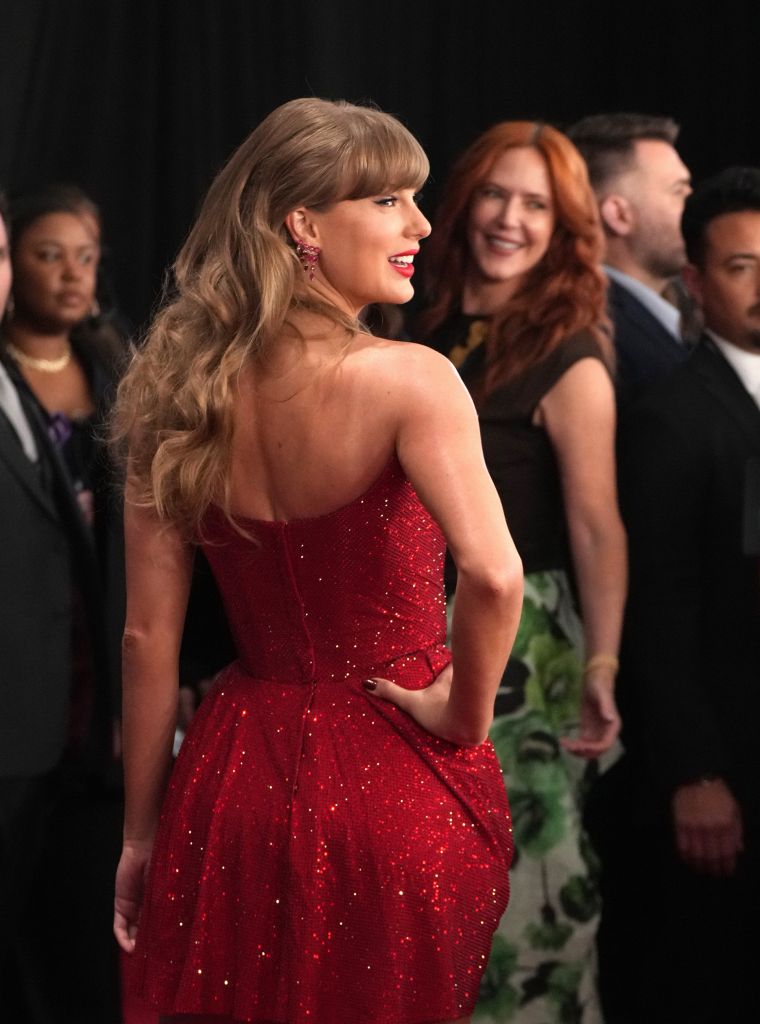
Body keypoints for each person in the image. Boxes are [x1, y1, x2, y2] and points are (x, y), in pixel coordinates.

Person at [111, 97, 524, 1024]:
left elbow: (145, 640)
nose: (421, 225)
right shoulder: (413, 380)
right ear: (303, 225)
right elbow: (497, 577)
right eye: (387, 201)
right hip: (398, 777)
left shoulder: (172, 394)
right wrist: (463, 715)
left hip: (230, 791)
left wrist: (140, 837)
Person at [416, 122, 626, 1023]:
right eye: (497, 194)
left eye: (537, 205)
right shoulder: (409, 317)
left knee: (524, 884)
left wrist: (601, 666)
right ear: (464, 202)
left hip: (521, 647)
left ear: (563, 227)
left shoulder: (568, 351)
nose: (511, 218)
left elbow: (596, 527)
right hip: (405, 625)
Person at [615, 166, 760, 1022]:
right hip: (729, 766)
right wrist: (695, 771)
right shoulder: (672, 419)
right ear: (698, 283)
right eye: (743, 266)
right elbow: (658, 611)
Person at [0, 185, 121, 1022]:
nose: (72, 275)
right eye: (48, 255)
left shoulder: (117, 364)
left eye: (86, 257)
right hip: (20, 674)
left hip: (93, 669)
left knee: (76, 917)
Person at [567, 113, 693, 406]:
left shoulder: (683, 312)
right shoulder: (596, 329)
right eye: (679, 192)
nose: (695, 207)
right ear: (619, 215)